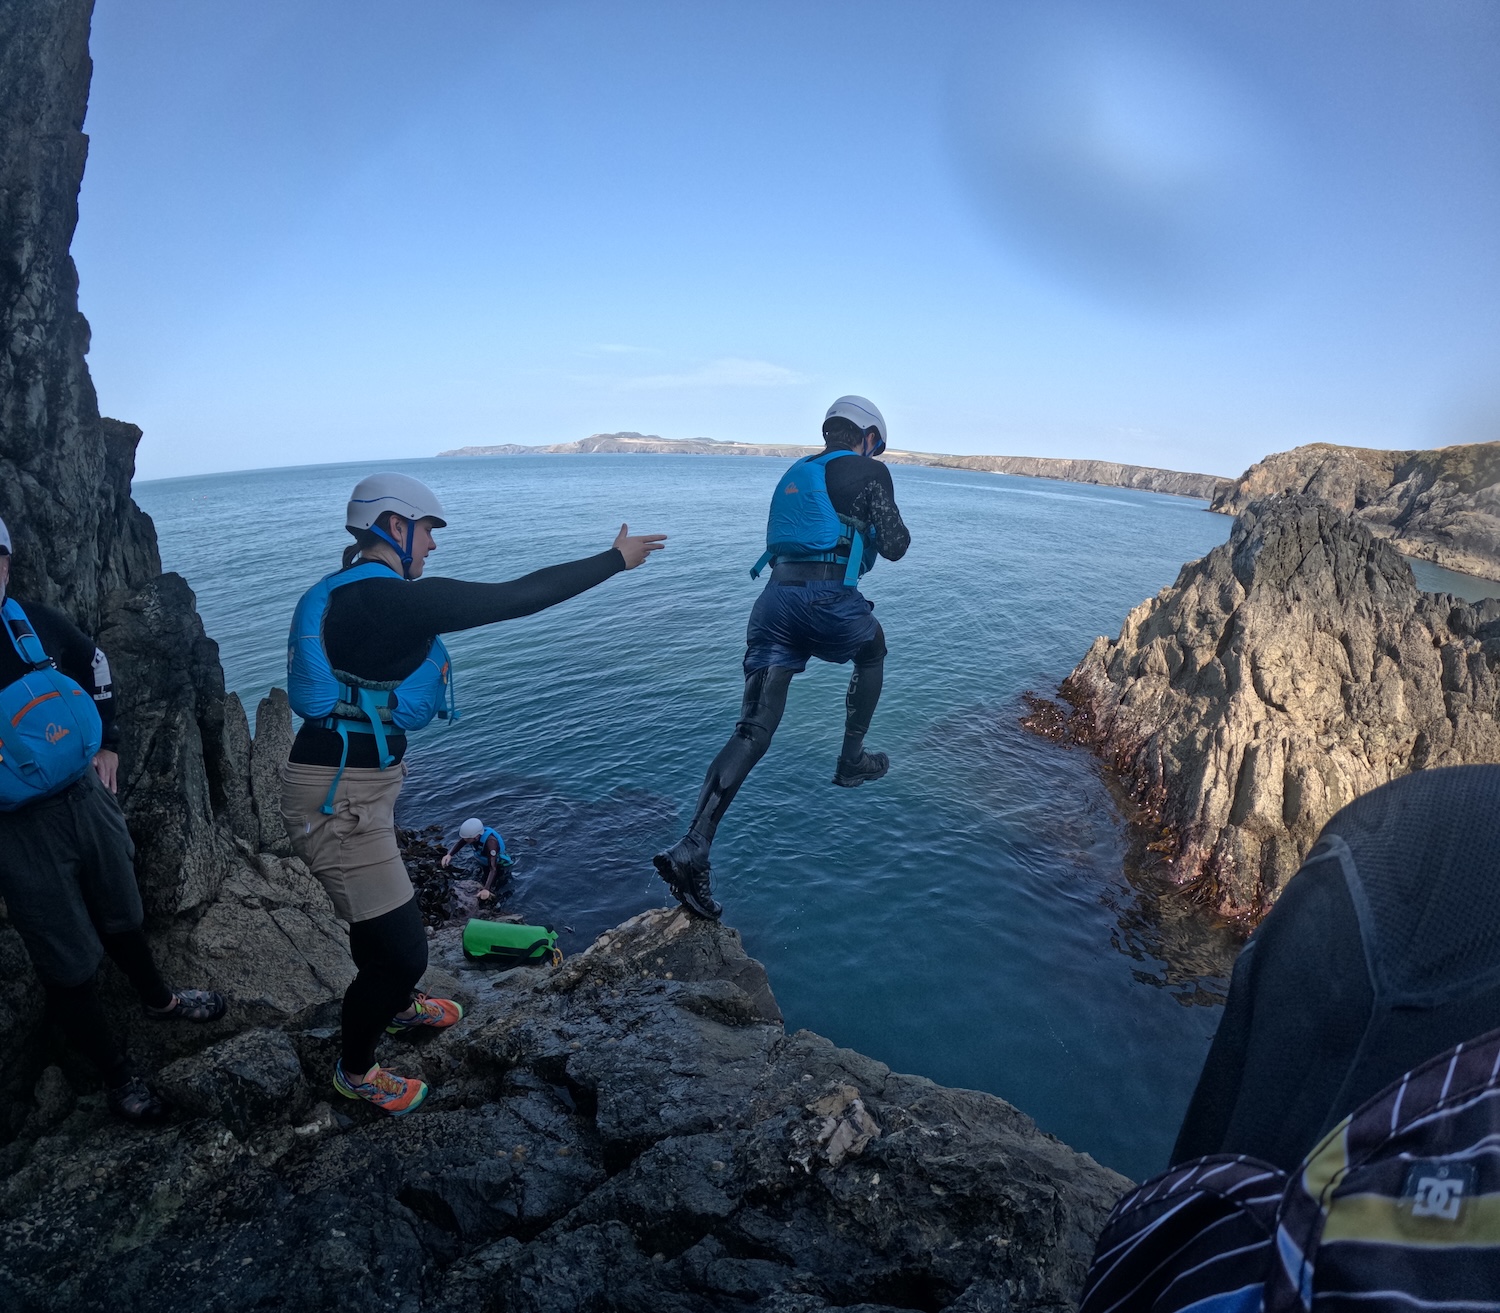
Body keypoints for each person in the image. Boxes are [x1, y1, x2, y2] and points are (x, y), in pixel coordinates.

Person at [281, 473, 664, 1115]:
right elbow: (518, 597)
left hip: (352, 788)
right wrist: (613, 561)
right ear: (395, 527)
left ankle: (398, 1009)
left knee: (378, 927)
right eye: (428, 530)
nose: (432, 545)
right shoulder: (390, 601)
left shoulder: (349, 596)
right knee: (402, 950)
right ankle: (355, 1068)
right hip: (339, 801)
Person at [0, 516, 227, 1124]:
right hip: (15, 829)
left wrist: (112, 743)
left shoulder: (29, 622)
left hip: (83, 795)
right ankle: (116, 1074)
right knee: (66, 955)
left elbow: (93, 660)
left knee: (122, 908)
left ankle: (160, 999)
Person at [653, 396, 911, 920]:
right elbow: (896, 545)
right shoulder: (870, 472)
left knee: (752, 729)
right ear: (867, 437)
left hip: (773, 604)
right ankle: (851, 759)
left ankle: (693, 845)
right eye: (875, 444)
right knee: (874, 650)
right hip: (827, 602)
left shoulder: (797, 473)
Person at [442, 816, 513, 901]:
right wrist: (449, 855)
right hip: (484, 861)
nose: (465, 840)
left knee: (495, 887)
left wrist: (486, 889)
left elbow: (493, 868)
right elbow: (462, 841)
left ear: (476, 837)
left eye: (467, 838)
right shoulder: (474, 836)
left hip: (497, 865)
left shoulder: (491, 843)